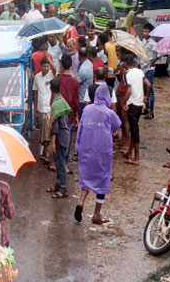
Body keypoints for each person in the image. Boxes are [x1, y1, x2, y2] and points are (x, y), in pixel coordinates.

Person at [74, 78, 122, 225]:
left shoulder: (87, 110)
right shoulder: (109, 113)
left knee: (86, 179)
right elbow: (118, 124)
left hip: (86, 150)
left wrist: (78, 146)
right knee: (102, 180)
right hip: (103, 152)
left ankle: (81, 202)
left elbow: (80, 128)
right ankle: (96, 214)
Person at [48, 78, 73, 198]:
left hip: (60, 137)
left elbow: (55, 125)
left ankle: (63, 187)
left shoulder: (55, 104)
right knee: (58, 160)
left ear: (50, 89)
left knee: (61, 162)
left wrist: (52, 141)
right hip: (66, 134)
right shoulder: (62, 100)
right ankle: (58, 184)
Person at [123, 54, 149, 166]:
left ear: (125, 64)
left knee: (134, 130)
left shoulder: (126, 74)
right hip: (139, 104)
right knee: (134, 128)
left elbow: (128, 91)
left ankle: (136, 157)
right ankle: (130, 152)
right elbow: (148, 84)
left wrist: (123, 102)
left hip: (132, 104)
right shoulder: (140, 72)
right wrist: (146, 96)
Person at [32, 58, 54, 162]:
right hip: (40, 107)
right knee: (42, 130)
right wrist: (35, 109)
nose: (46, 68)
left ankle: (46, 152)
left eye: (47, 66)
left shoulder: (52, 75)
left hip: (49, 108)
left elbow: (55, 69)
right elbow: (35, 93)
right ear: (41, 67)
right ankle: (43, 148)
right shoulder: (37, 77)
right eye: (44, 66)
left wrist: (49, 59)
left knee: (48, 131)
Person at [141, 24, 157, 119]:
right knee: (144, 90)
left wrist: (153, 62)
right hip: (143, 67)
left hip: (149, 69)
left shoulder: (153, 43)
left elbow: (158, 54)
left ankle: (151, 111)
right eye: (144, 31)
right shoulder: (143, 41)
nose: (144, 33)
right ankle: (146, 108)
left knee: (150, 91)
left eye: (146, 31)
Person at [77, 47, 95, 113]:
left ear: (79, 56)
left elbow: (76, 82)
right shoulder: (89, 63)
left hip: (82, 99)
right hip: (88, 96)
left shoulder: (83, 69)